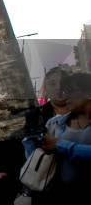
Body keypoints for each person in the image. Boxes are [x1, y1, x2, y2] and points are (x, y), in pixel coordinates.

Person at [30, 72, 91, 204]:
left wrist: (61, 145)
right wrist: (30, 142)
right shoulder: (55, 123)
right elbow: (38, 160)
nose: (65, 95)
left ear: (87, 93)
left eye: (70, 91)